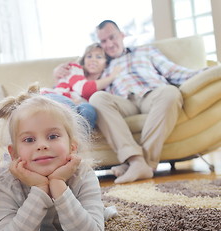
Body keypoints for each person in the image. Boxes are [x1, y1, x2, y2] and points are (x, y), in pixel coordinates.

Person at [54, 20, 206, 184]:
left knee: (171, 92)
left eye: (112, 37)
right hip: (123, 102)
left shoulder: (145, 51)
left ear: (122, 35)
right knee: (97, 97)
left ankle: (138, 163)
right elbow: (82, 75)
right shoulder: (102, 63)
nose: (110, 44)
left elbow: (174, 72)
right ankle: (136, 161)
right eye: (104, 41)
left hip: (152, 94)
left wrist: (206, 72)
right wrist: (60, 70)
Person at [0, 84, 116, 231]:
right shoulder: (6, 182)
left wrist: (58, 184)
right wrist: (39, 189)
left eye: (52, 136)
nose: (42, 145)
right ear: (14, 153)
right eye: (29, 139)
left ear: (72, 147)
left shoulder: (83, 175)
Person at [42, 43, 120, 129]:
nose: (93, 60)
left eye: (99, 57)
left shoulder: (104, 86)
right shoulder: (74, 68)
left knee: (88, 110)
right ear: (84, 60)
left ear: (106, 64)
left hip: (77, 107)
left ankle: (79, 139)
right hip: (55, 98)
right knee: (70, 105)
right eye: (89, 56)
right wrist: (112, 76)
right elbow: (84, 89)